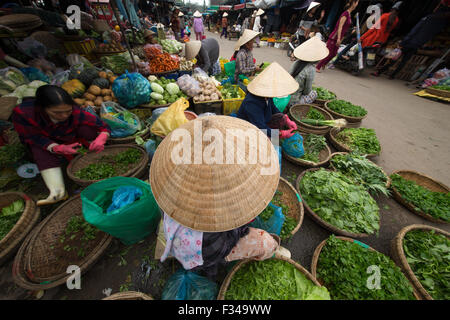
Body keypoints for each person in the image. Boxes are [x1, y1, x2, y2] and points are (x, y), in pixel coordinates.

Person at [152, 115, 290, 280]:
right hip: (201, 250)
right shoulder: (215, 227)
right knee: (264, 242)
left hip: (176, 234)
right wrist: (241, 227)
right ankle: (211, 272)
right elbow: (223, 243)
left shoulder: (173, 178)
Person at [12, 85, 110, 206]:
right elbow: (32, 137)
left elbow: (102, 125)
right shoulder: (24, 114)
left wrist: (102, 137)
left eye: (67, 111)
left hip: (69, 134)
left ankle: (88, 149)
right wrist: (56, 147)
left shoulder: (74, 111)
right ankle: (57, 191)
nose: (64, 116)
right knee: (39, 151)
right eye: (57, 113)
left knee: (87, 129)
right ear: (43, 108)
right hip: (45, 139)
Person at [372, 3, 450, 79]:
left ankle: (380, 71)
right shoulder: (440, 24)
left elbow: (415, 30)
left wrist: (404, 41)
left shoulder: (427, 18)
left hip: (410, 42)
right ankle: (393, 75)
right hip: (417, 44)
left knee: (394, 58)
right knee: (404, 61)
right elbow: (431, 35)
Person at [236, 62, 299, 139]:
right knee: (268, 141)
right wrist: (280, 134)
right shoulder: (252, 103)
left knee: (280, 117)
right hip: (248, 127)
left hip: (261, 121)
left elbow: (273, 108)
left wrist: (287, 120)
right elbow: (261, 128)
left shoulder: (266, 96)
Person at [336, 1, 401, 63]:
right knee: (364, 50)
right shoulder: (396, 20)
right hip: (381, 41)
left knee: (350, 45)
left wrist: (362, 37)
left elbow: (372, 29)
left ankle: (338, 58)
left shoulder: (384, 16)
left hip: (372, 38)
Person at [315, 0, 359, 72]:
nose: (357, 4)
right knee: (328, 52)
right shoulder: (345, 14)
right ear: (353, 3)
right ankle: (317, 67)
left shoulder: (349, 14)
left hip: (340, 37)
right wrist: (338, 38)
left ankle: (323, 63)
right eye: (357, 2)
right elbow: (340, 27)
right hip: (335, 36)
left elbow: (345, 27)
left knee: (334, 54)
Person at [290, 36, 329, 105]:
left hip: (285, 96)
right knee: (314, 93)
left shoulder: (296, 62)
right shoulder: (311, 69)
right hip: (293, 102)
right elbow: (306, 92)